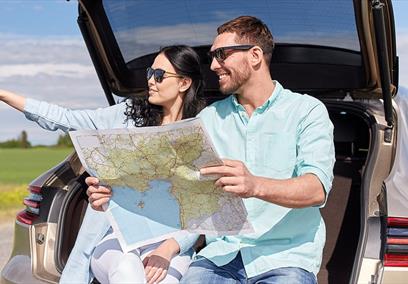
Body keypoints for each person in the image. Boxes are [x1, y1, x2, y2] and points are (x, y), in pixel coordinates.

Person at [90, 15, 335, 283]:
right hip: (220, 256)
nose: (214, 65)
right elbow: (175, 190)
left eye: (221, 55)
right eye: (212, 57)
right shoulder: (208, 120)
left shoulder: (307, 111)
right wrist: (114, 195)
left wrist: (254, 185)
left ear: (255, 55)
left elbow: (315, 189)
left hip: (285, 258)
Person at [0, 45, 204, 284]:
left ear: (184, 83)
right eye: (150, 72)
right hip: (115, 238)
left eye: (159, 75)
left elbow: (205, 207)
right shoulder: (126, 116)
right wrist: (4, 95)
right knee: (127, 269)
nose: (151, 80)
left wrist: (168, 249)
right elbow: (64, 117)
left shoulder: (199, 133)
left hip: (169, 241)